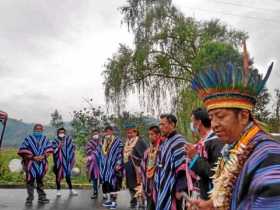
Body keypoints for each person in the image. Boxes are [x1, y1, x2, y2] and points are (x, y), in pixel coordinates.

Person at [189, 42, 280, 209]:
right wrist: (210, 205)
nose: (215, 124)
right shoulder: (232, 148)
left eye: (221, 116)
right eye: (211, 117)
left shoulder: (269, 155)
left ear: (244, 116)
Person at [185, 108, 224, 200]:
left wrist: (195, 157)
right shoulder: (203, 142)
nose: (192, 125)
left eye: (192, 121)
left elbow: (215, 174)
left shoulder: (216, 142)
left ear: (199, 123)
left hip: (214, 198)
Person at [154, 114, 188, 210]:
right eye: (159, 124)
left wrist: (179, 188)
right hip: (163, 186)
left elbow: (183, 168)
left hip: (173, 189)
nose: (160, 127)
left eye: (163, 124)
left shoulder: (179, 142)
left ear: (172, 125)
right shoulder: (166, 142)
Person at [18, 124, 53, 206]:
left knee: (40, 181)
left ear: (42, 130)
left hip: (41, 164)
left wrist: (43, 156)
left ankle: (42, 198)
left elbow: (49, 149)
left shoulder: (45, 139)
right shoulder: (28, 139)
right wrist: (33, 157)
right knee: (30, 182)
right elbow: (22, 150)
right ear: (34, 130)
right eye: (37, 129)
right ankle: (29, 199)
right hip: (30, 164)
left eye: (40, 129)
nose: (38, 131)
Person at [123, 123, 148, 210]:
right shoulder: (127, 142)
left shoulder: (140, 141)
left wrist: (136, 158)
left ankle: (141, 203)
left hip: (137, 168)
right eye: (128, 133)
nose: (129, 135)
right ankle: (133, 201)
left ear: (136, 132)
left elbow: (145, 154)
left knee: (138, 185)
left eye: (131, 133)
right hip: (128, 167)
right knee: (130, 185)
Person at [141, 125, 164, 210]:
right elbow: (143, 166)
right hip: (149, 185)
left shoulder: (163, 149)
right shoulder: (149, 150)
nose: (150, 136)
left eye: (152, 134)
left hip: (159, 184)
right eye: (149, 134)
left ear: (158, 135)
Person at [101, 125, 124, 210]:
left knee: (114, 184)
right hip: (105, 167)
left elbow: (120, 153)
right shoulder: (104, 140)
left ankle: (114, 202)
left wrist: (118, 163)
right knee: (108, 184)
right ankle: (109, 200)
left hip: (114, 166)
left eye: (109, 131)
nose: (108, 132)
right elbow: (102, 154)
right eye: (106, 131)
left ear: (112, 131)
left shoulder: (117, 141)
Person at [52, 127, 78, 197]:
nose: (62, 133)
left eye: (63, 132)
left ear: (65, 133)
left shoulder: (68, 139)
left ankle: (71, 190)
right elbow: (53, 150)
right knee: (58, 176)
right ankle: (58, 190)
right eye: (60, 132)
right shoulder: (55, 140)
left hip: (67, 162)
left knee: (68, 176)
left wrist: (74, 147)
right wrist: (58, 147)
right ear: (58, 133)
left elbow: (72, 147)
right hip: (58, 162)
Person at [86, 129, 103, 199]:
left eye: (97, 134)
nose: (95, 135)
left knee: (103, 179)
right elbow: (88, 151)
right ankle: (95, 192)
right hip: (93, 164)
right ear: (92, 135)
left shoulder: (102, 142)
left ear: (99, 134)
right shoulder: (89, 143)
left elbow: (105, 151)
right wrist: (97, 151)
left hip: (101, 163)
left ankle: (104, 193)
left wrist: (98, 150)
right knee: (94, 179)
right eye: (94, 134)